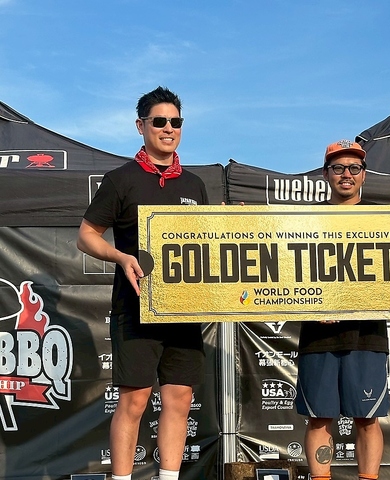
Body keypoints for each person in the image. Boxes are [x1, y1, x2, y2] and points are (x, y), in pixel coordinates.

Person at [77, 86, 209, 480]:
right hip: (135, 309)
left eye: (176, 122)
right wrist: (120, 257)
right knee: (134, 402)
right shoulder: (120, 180)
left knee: (179, 399)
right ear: (141, 126)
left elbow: (207, 244)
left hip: (184, 311)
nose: (169, 128)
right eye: (160, 121)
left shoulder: (195, 185)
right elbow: (86, 236)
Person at [295, 139, 390, 480]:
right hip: (318, 335)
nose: (346, 174)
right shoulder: (306, 219)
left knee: (367, 419)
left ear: (364, 174)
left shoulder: (385, 217)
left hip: (367, 335)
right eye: (338, 168)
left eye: (354, 168)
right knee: (319, 418)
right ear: (326, 174)